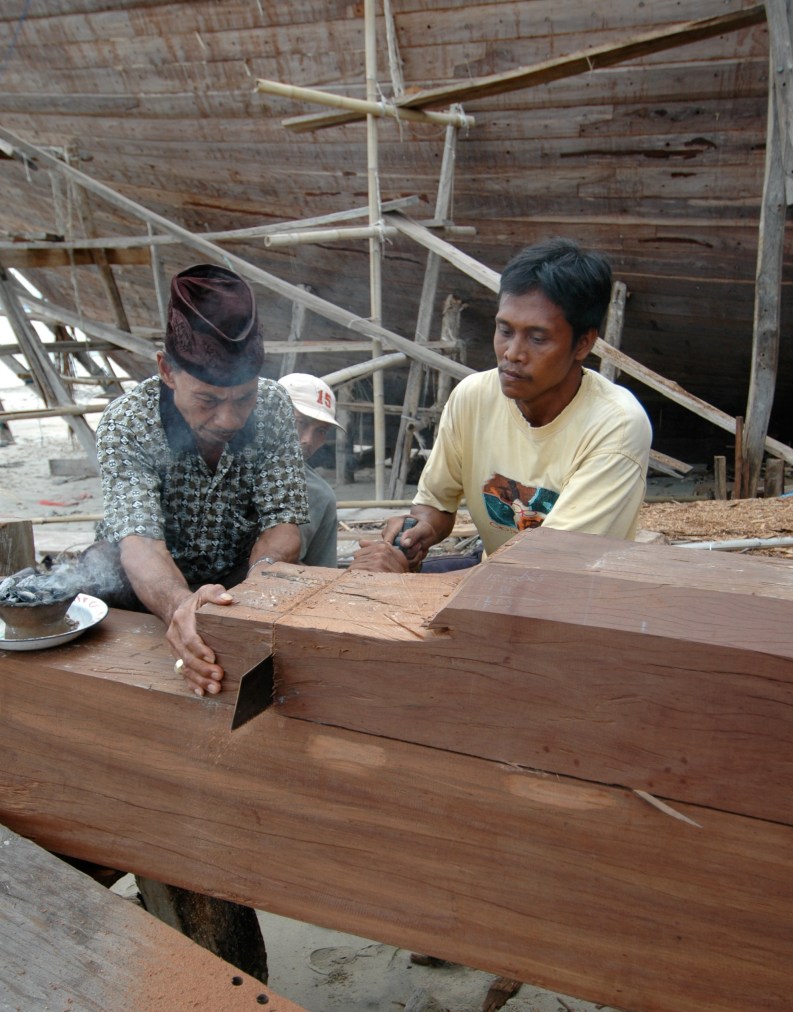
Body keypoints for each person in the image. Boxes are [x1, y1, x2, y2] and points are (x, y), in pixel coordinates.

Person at [352, 237, 652, 573]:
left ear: (583, 343)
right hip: (490, 577)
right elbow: (435, 505)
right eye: (504, 330)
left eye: (537, 338)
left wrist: (402, 581)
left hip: (571, 591)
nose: (512, 353)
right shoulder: (473, 397)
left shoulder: (616, 426)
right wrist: (417, 533)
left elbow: (546, 572)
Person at [88, 263, 308, 697]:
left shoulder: (274, 406)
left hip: (235, 585)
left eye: (243, 398)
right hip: (142, 589)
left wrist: (259, 586)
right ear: (167, 371)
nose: (229, 419)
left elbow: (282, 522)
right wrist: (180, 605)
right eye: (207, 399)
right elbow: (141, 543)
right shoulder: (127, 422)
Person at [278, 372, 341, 567]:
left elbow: (322, 575)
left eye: (321, 431)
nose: (308, 440)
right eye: (301, 423)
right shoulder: (225, 469)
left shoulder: (320, 496)